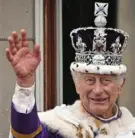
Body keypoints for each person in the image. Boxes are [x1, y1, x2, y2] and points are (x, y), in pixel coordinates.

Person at [6, 2, 135, 138]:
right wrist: (24, 83)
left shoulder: (130, 129)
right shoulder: (57, 127)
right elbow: (26, 134)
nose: (97, 90)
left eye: (106, 81)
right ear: (77, 84)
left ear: (120, 86)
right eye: (90, 80)